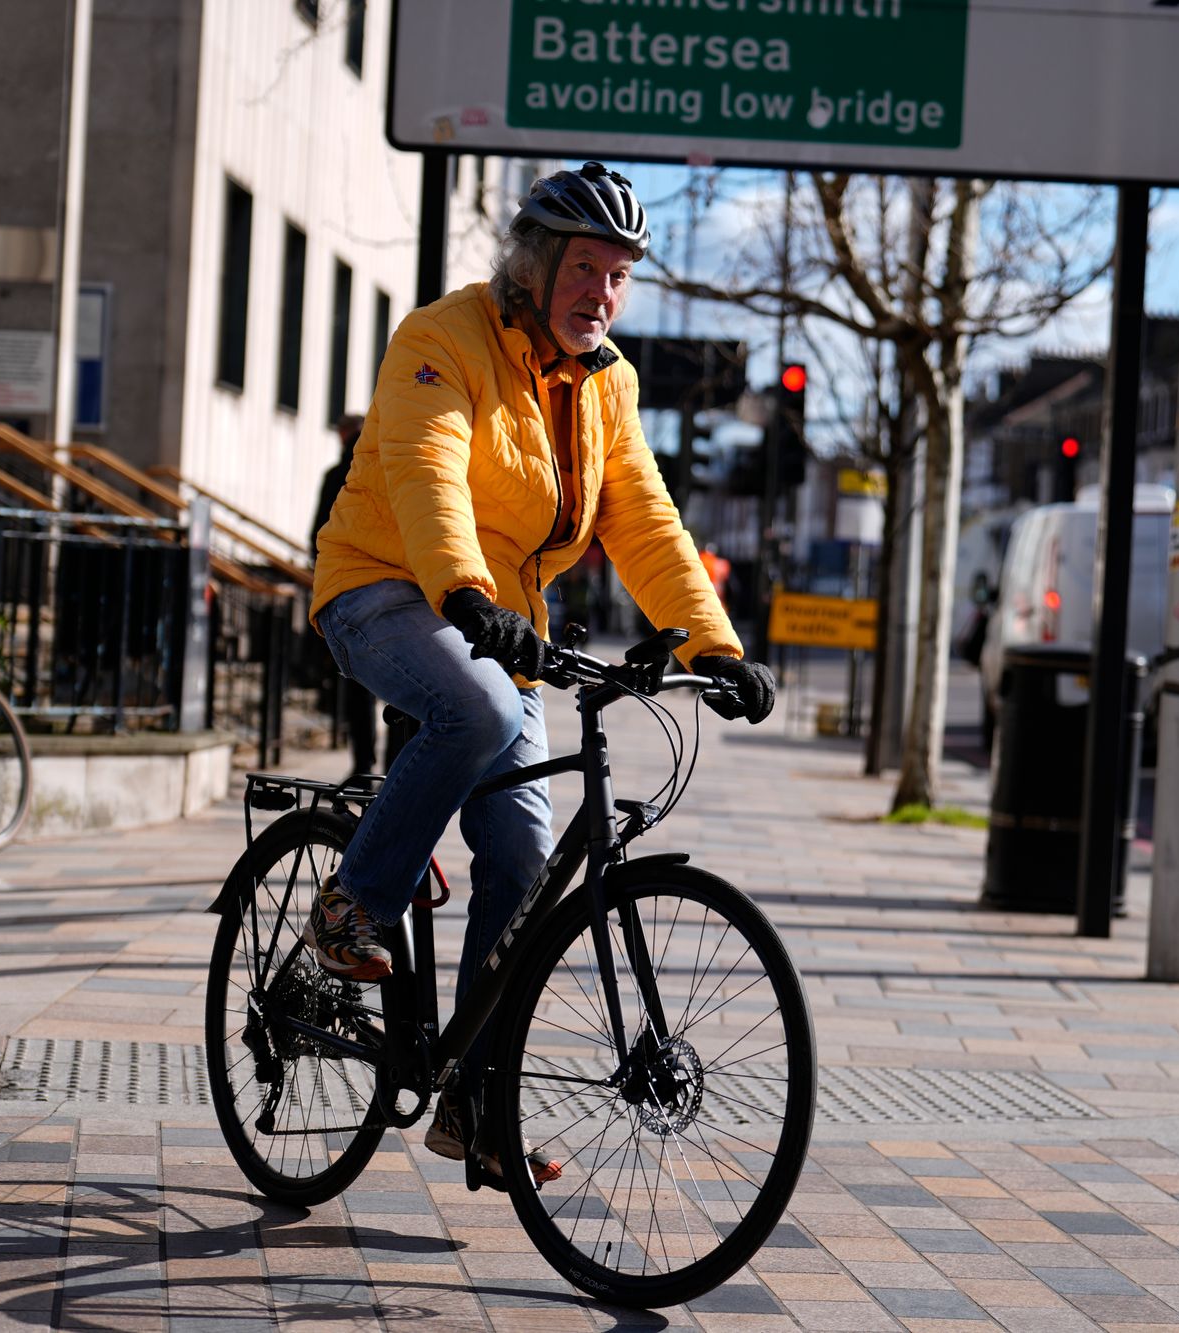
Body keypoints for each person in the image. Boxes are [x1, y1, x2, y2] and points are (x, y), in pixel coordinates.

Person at [305, 161, 775, 1186]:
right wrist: (466, 591)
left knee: (520, 852)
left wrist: (714, 643)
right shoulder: (440, 339)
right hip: (384, 589)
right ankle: (350, 906)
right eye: (581, 269)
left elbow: (644, 521)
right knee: (473, 710)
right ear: (530, 265)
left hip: (495, 620)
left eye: (616, 277)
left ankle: (473, 1099)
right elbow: (427, 469)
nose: (598, 294)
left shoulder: (607, 383)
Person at [309, 414, 379, 778]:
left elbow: (318, 536)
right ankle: (398, 768)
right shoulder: (388, 463)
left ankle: (364, 765)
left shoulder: (338, 475)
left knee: (359, 687)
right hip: (398, 585)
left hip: (348, 590)